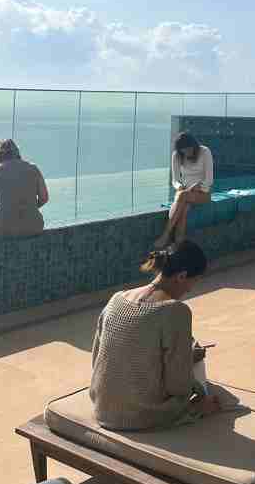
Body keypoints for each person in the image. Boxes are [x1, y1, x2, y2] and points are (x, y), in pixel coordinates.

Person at [90, 240, 221, 430]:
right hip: (140, 416)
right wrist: (187, 361)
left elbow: (98, 359)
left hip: (102, 407)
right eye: (194, 281)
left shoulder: (117, 298)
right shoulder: (175, 311)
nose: (190, 289)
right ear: (182, 276)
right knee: (200, 372)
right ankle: (198, 408)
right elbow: (178, 386)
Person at [0, 139, 48, 238]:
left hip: (4, 228)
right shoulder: (33, 168)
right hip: (35, 226)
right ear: (17, 152)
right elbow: (44, 198)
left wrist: (7, 211)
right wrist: (26, 208)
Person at [155, 132, 214, 248]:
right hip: (185, 191)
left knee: (182, 196)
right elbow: (175, 180)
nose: (186, 152)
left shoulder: (205, 151)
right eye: (183, 150)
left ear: (194, 145)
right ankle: (178, 245)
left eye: (188, 149)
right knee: (184, 207)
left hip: (202, 193)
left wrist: (198, 186)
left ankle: (166, 234)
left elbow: (209, 179)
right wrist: (179, 186)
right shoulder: (176, 155)